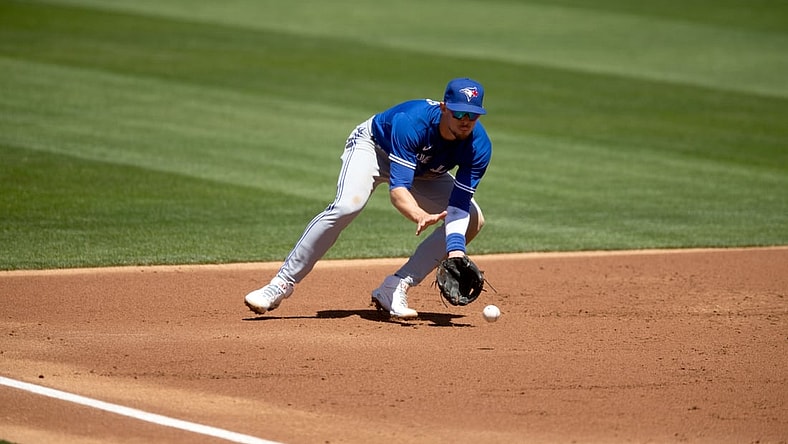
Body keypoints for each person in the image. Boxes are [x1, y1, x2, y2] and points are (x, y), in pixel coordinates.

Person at [244, 78, 493, 319]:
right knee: (346, 207)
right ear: (443, 108)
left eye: (473, 115)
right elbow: (398, 192)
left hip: (425, 171)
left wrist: (456, 251)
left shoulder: (479, 146)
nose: (466, 121)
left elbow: (459, 205)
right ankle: (280, 284)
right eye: (459, 113)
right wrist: (419, 214)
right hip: (374, 148)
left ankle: (395, 287)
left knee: (472, 218)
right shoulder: (412, 122)